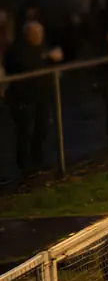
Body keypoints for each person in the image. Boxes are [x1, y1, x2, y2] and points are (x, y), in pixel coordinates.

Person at [4, 21, 63, 175]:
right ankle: (24, 165)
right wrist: (47, 57)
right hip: (23, 97)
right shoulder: (18, 50)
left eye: (40, 34)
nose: (39, 37)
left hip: (41, 95)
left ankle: (38, 158)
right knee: (25, 131)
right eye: (36, 34)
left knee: (41, 127)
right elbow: (26, 65)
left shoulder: (41, 47)